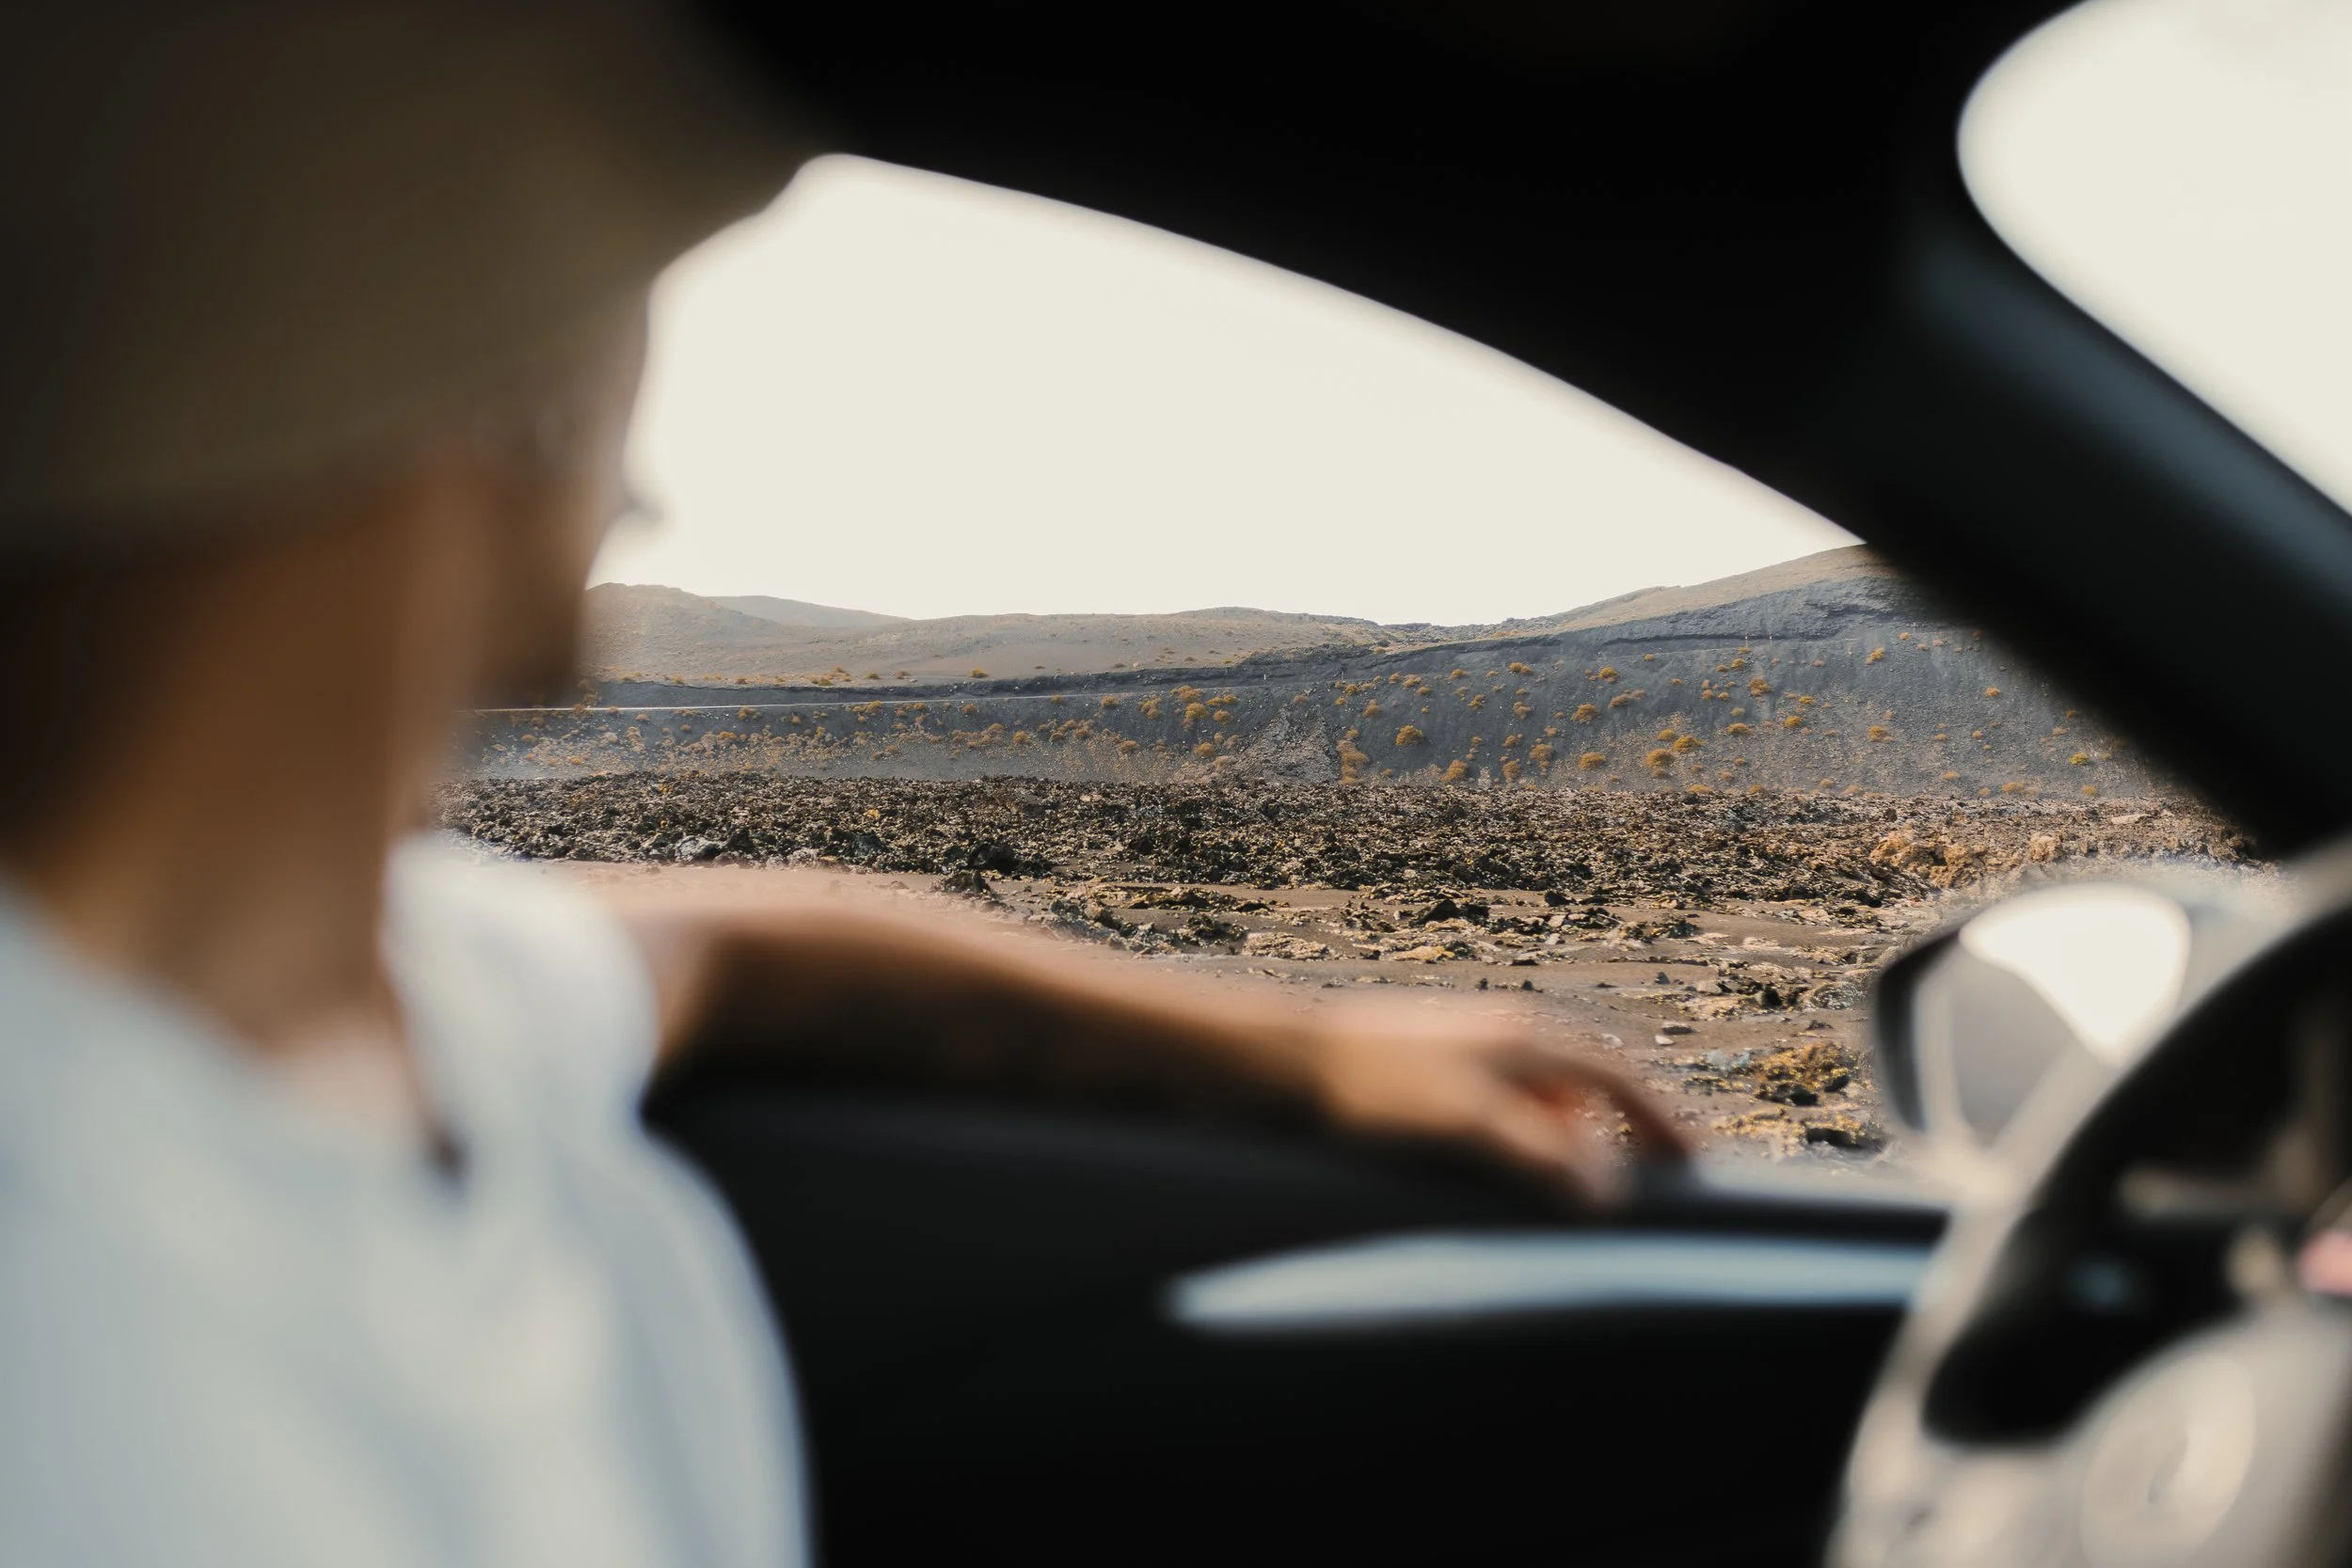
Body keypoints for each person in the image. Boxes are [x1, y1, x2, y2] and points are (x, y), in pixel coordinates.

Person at [0, 3, 1685, 1563]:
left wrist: (1309, 1055)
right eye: (615, 279)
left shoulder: (407, 992)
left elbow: (745, 944)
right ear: (497, 379)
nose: (645, 469)